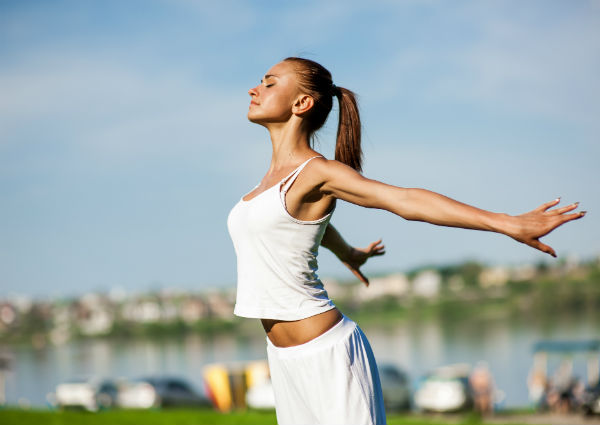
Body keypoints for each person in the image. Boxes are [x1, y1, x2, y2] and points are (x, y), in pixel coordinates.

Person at [227, 57, 585, 425]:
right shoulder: (268, 183)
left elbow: (406, 200)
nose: (255, 89)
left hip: (329, 356)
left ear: (301, 103)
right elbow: (296, 227)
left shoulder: (318, 171)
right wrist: (347, 252)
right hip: (284, 360)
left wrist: (506, 223)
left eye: (269, 83)